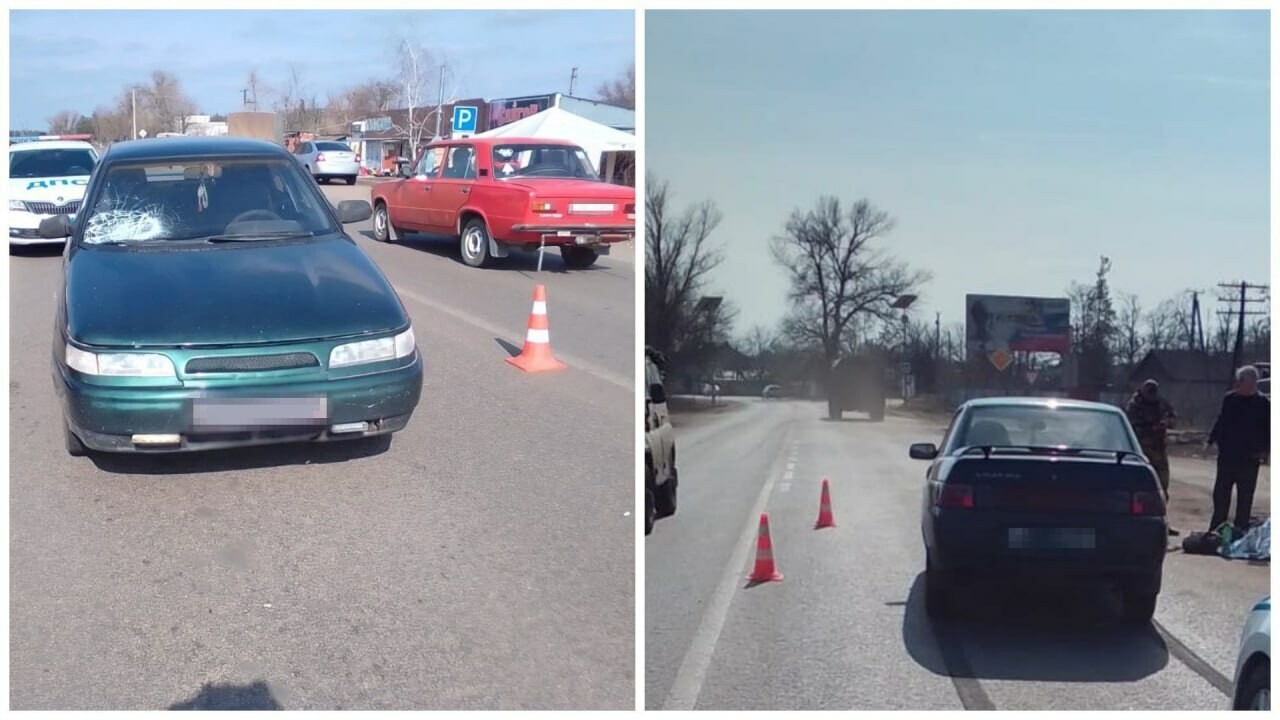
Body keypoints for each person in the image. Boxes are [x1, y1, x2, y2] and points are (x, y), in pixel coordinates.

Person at [1207, 365, 1271, 534]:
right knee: (1221, 494)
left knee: (1245, 497)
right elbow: (1221, 420)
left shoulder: (1263, 403)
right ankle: (1216, 529)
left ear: (1250, 382)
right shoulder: (1230, 399)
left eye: (1240, 381)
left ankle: (1240, 530)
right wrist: (1212, 439)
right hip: (1228, 455)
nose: (1238, 384)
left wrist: (1266, 450)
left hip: (1250, 458)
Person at [1126, 379, 1178, 536]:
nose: (1151, 397)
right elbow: (1132, 425)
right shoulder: (1134, 405)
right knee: (1140, 490)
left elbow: (1173, 417)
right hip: (1141, 451)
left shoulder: (1160, 402)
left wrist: (1165, 423)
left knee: (1162, 489)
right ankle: (1137, 524)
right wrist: (1150, 427)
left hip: (1159, 449)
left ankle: (1161, 523)